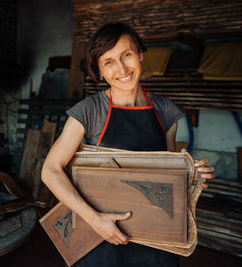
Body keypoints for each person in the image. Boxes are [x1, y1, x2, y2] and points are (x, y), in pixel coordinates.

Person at [41, 22, 215, 267]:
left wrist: (191, 175)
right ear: (99, 71)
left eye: (127, 55)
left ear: (140, 54)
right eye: (108, 61)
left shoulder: (165, 111)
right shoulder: (89, 111)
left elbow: (166, 176)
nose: (121, 68)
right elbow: (50, 171)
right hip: (101, 236)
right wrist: (95, 220)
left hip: (155, 237)